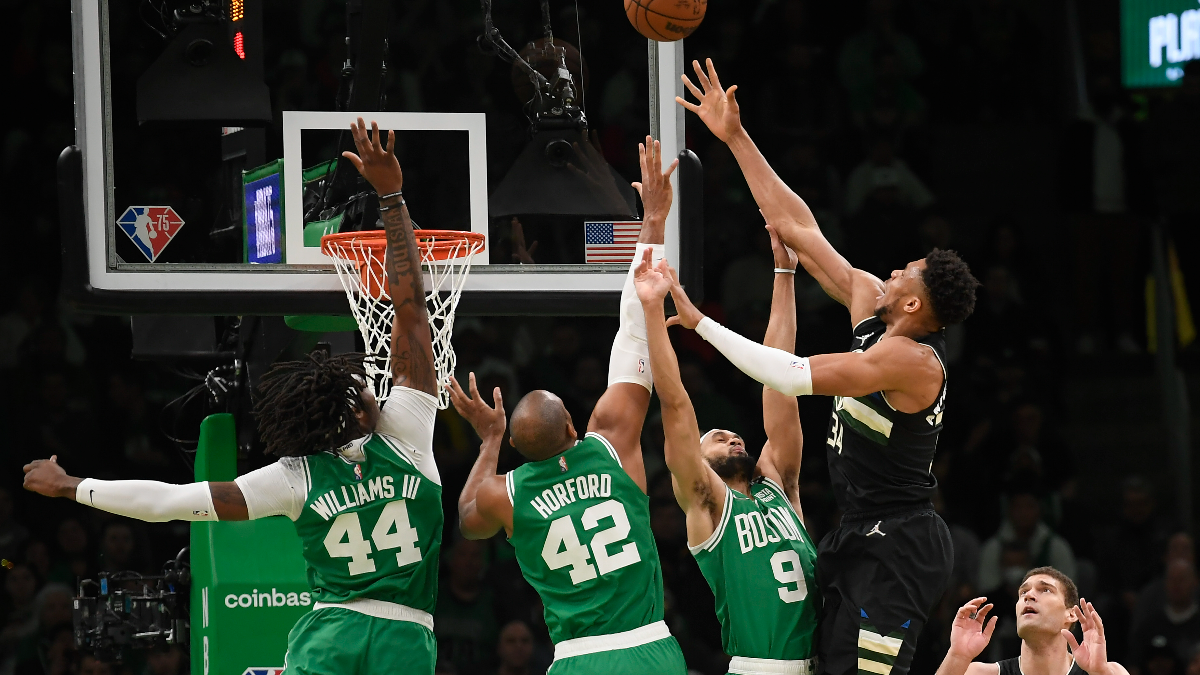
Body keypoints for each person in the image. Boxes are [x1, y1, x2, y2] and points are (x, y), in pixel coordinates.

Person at [24, 118, 445, 675]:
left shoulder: (296, 476)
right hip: (406, 638)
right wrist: (391, 197)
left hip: (330, 636)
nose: (368, 383)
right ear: (363, 412)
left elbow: (167, 502)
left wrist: (75, 486)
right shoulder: (408, 432)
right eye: (362, 387)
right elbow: (412, 304)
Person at [676, 58, 980, 675]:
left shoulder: (910, 361)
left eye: (906, 272)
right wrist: (734, 137)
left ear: (915, 303)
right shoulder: (873, 306)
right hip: (856, 531)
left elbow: (788, 375)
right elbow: (796, 226)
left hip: (901, 541)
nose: (892, 271)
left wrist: (701, 324)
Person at [448, 138, 687, 674]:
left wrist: (486, 444)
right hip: (650, 648)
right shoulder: (613, 442)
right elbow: (635, 325)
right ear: (575, 424)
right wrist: (654, 219)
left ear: (515, 447)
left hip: (578, 660)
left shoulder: (504, 495)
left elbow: (466, 521)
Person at [635, 224, 820, 675]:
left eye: (734, 435)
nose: (733, 438)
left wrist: (783, 273)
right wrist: (652, 312)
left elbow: (782, 372)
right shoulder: (709, 503)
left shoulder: (780, 484)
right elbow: (676, 404)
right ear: (697, 462)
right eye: (716, 438)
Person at [936, 567, 1131, 675]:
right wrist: (957, 656)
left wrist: (1099, 674)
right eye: (1023, 592)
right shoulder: (982, 674)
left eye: (1045, 589)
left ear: (1071, 614)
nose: (1028, 596)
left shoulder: (1109, 672)